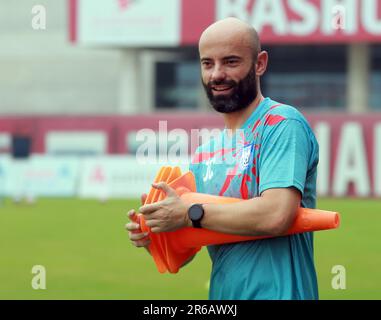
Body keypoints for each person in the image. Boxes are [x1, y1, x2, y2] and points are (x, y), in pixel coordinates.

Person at [126, 17, 319, 300]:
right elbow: (189, 249)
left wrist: (189, 213)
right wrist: (158, 232)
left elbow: (277, 214)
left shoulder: (281, 124)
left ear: (260, 63)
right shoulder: (206, 154)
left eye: (230, 62)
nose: (216, 74)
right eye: (207, 63)